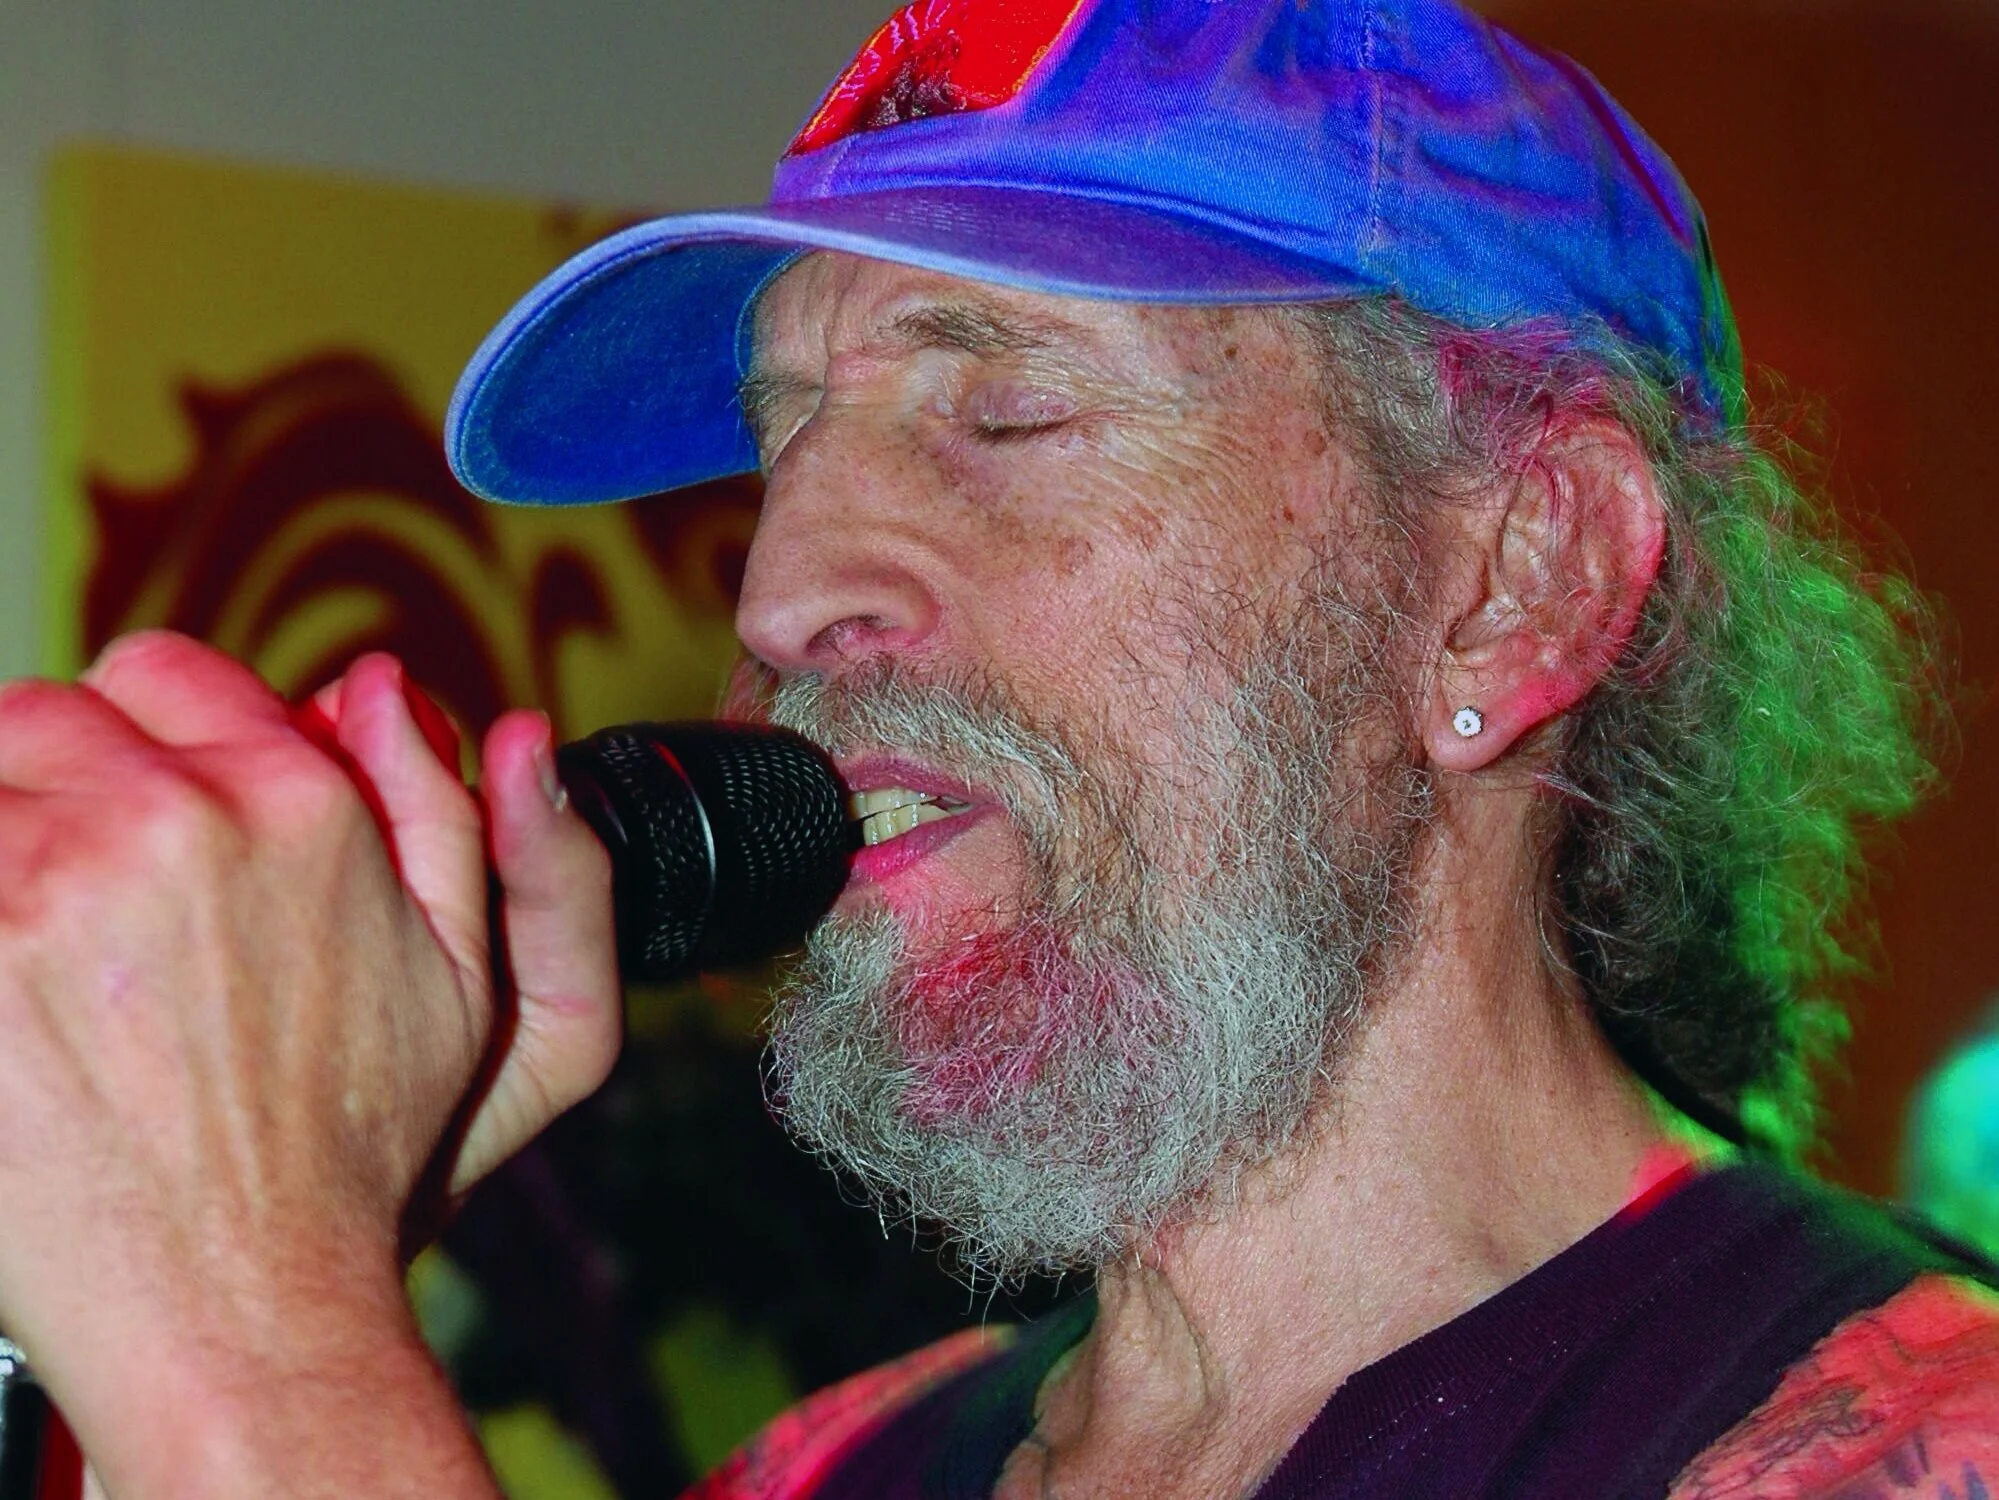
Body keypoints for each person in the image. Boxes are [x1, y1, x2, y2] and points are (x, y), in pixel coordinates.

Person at [0, 0, 1994, 1495]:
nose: (781, 595)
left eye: (1008, 414)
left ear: (1517, 577)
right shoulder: (822, 1470)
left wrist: (258, 1342)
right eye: (785, 445)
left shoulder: (1904, 1435)